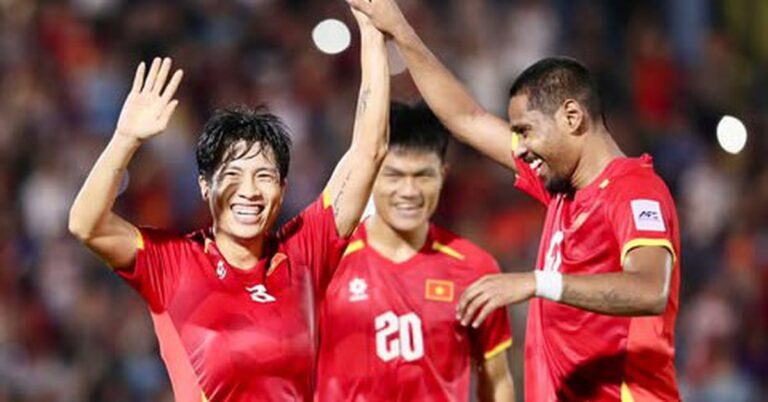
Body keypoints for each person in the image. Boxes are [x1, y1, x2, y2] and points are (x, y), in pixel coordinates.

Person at [346, 1, 682, 400]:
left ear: (571, 117)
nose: (519, 147)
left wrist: (535, 282)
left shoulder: (635, 190)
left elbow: (650, 289)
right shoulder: (562, 188)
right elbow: (466, 118)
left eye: (525, 131)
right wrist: (401, 31)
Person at [67, 9, 389, 401]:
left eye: (264, 176)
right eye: (233, 175)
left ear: (283, 189)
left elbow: (369, 151)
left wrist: (372, 32)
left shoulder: (303, 253)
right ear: (205, 186)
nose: (249, 191)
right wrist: (125, 139)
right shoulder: (173, 263)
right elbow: (86, 225)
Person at [316, 102, 515, 401]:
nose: (409, 191)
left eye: (423, 176)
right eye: (394, 176)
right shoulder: (327, 262)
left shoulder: (475, 269)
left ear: (443, 174)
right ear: (371, 175)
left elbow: (497, 380)